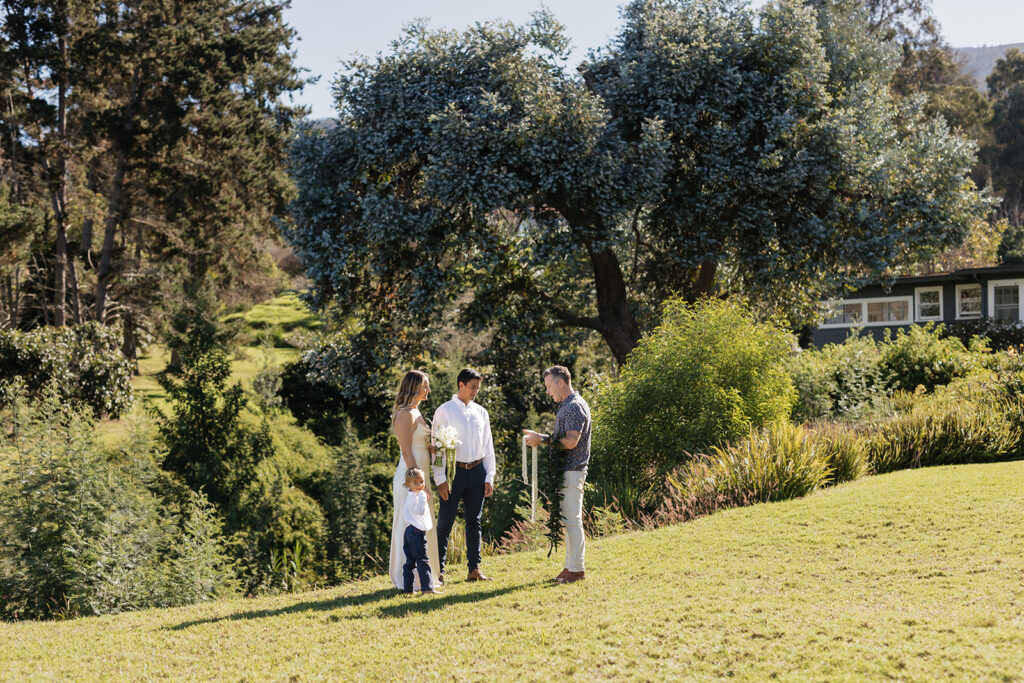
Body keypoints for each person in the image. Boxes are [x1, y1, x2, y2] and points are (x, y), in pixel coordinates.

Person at [523, 365, 592, 584]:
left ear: (561, 382)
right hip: (567, 470)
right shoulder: (566, 406)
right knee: (569, 520)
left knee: (573, 520)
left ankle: (577, 570)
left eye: (549, 385)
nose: (547, 391)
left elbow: (571, 441)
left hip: (573, 470)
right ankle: (569, 567)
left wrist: (542, 439)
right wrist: (541, 436)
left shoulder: (574, 407)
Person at [432, 368, 496, 583]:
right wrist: (440, 478)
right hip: (453, 474)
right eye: (472, 387)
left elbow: (488, 446)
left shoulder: (482, 413)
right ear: (461, 385)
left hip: (477, 472)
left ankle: (474, 569)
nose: (475, 391)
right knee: (445, 522)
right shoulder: (445, 411)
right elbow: (438, 448)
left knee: (474, 522)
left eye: (478, 388)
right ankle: (437, 571)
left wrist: (490, 476)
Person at [389, 370, 441, 591]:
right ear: (414, 387)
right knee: (410, 525)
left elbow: (418, 447)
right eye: (425, 386)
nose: (428, 390)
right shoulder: (404, 414)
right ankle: (408, 580)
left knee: (423, 524)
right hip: (410, 479)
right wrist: (417, 484)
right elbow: (407, 451)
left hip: (421, 475)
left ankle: (427, 578)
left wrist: (431, 450)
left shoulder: (417, 411)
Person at [402, 468, 441, 594]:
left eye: (422, 482)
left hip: (409, 531)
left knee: (410, 561)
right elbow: (419, 511)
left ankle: (408, 589)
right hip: (416, 532)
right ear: (408, 484)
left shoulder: (412, 495)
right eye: (416, 483)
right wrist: (424, 498)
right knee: (422, 559)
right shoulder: (416, 497)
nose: (420, 485)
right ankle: (427, 588)